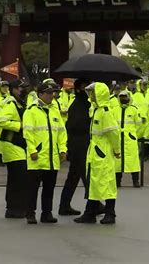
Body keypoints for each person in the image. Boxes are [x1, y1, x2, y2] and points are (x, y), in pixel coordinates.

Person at [74, 82, 121, 225]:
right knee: (94, 182)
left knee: (106, 181)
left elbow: (113, 133)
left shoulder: (105, 112)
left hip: (103, 151)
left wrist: (117, 150)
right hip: (96, 150)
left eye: (92, 92)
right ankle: (90, 213)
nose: (90, 95)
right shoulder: (96, 110)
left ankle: (110, 213)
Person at [22, 82, 67, 224]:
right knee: (32, 188)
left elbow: (61, 132)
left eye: (52, 93)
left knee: (49, 188)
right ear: (40, 94)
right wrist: (32, 150)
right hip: (38, 156)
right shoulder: (31, 110)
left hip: (52, 157)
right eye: (48, 93)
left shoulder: (54, 110)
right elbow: (28, 133)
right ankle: (30, 213)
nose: (51, 96)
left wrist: (63, 150)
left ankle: (46, 213)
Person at [59, 79, 95, 216]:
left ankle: (65, 205)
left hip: (78, 144)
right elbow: (76, 125)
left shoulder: (82, 103)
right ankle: (94, 204)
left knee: (74, 175)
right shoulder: (81, 104)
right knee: (84, 174)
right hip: (80, 144)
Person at [0, 80, 29, 219]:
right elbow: (1, 121)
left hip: (19, 145)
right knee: (16, 178)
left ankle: (19, 207)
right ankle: (13, 208)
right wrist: (19, 125)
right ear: (13, 89)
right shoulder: (10, 104)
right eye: (21, 88)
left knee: (20, 178)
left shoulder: (21, 103)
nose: (23, 90)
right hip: (11, 145)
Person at [113, 90, 142, 188]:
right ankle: (117, 181)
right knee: (117, 162)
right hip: (118, 139)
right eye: (121, 97)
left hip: (130, 139)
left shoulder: (134, 110)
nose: (123, 99)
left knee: (133, 160)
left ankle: (135, 181)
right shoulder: (114, 110)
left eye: (125, 97)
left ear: (129, 97)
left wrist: (133, 135)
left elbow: (139, 125)